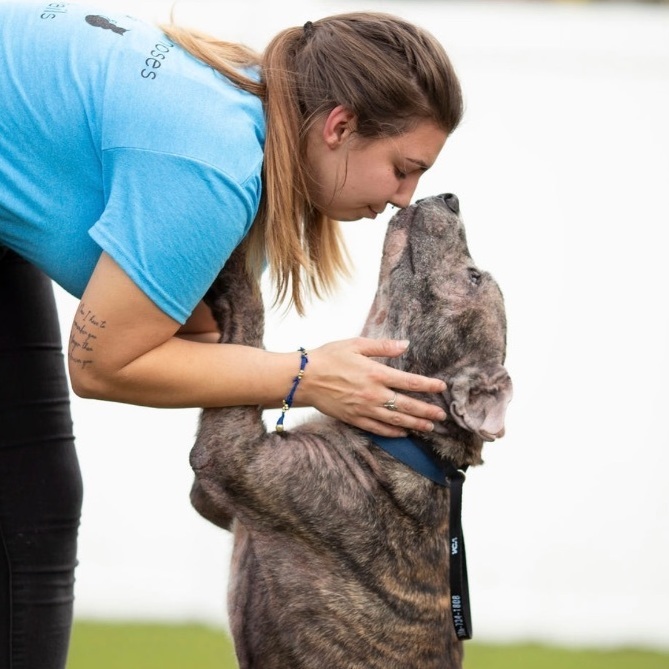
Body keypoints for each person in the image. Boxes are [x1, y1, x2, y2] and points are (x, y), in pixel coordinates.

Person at [0, 1, 463, 666]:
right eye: (402, 167)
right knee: (30, 506)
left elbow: (195, 335)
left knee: (34, 506)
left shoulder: (242, 117)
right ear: (339, 125)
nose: (404, 196)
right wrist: (309, 375)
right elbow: (100, 364)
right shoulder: (214, 162)